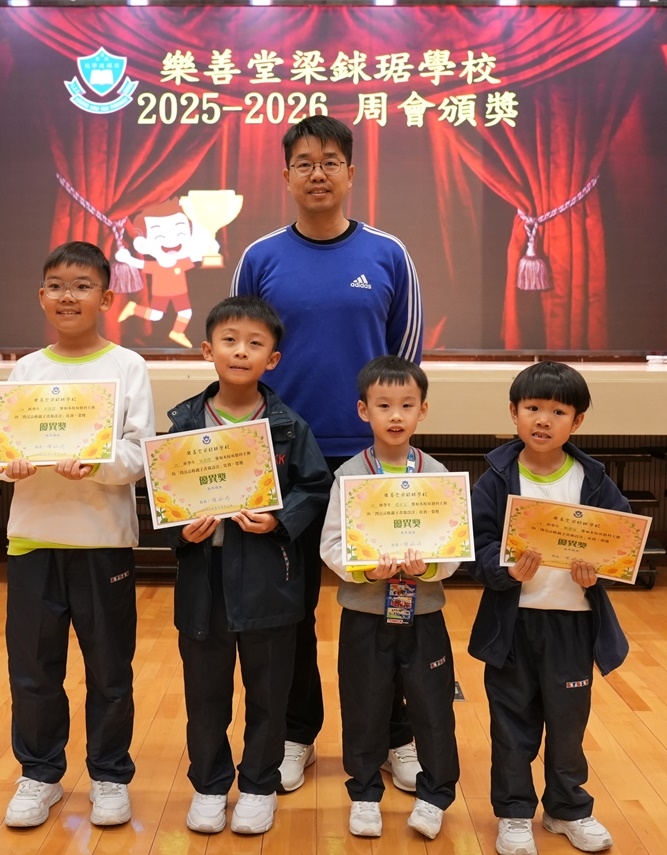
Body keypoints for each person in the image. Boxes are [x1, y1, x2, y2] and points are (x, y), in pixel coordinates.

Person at [231, 114, 425, 794]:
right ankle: (296, 734)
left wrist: (390, 438)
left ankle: (397, 735)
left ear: (351, 172)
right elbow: (240, 350)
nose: (318, 173)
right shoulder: (260, 257)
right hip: (284, 465)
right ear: (285, 175)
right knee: (288, 613)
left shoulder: (389, 254)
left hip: (372, 465)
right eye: (304, 162)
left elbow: (405, 364)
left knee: (391, 602)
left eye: (331, 161)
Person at [0, 241, 154, 829]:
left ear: (106, 298)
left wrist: (96, 464)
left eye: (83, 286)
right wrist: (8, 465)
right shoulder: (26, 370)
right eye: (58, 286)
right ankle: (40, 775)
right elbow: (1, 452)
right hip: (33, 542)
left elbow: (139, 455)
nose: (69, 296)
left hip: (102, 542)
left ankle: (110, 776)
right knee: (33, 671)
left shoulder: (128, 366)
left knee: (110, 670)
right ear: (42, 296)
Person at [164, 295, 332, 835]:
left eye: (255, 344)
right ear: (207, 350)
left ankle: (259, 786)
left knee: (269, 693)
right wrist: (180, 532)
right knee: (205, 695)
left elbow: (316, 488)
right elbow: (162, 495)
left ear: (272, 359)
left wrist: (279, 521)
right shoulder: (183, 422)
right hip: (204, 582)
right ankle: (210, 786)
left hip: (268, 579)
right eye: (230, 341)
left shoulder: (289, 426)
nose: (241, 352)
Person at [467, 362, 628, 855]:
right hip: (512, 628)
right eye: (533, 408)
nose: (543, 419)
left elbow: (621, 540)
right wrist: (506, 569)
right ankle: (514, 814)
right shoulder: (496, 478)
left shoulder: (592, 479)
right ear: (513, 412)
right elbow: (475, 547)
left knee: (567, 725)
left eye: (558, 411)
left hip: (573, 626)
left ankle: (567, 809)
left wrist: (599, 571)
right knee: (511, 725)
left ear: (577, 421)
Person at [319, 356, 461, 841]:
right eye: (383, 405)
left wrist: (431, 568)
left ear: (423, 410)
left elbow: (454, 547)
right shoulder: (349, 475)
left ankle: (434, 796)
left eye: (406, 405)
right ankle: (363, 795)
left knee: (433, 707)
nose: (395, 415)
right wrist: (363, 569)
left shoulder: (436, 474)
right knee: (363, 705)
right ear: (364, 411)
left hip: (424, 612)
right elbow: (331, 545)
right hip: (364, 613)